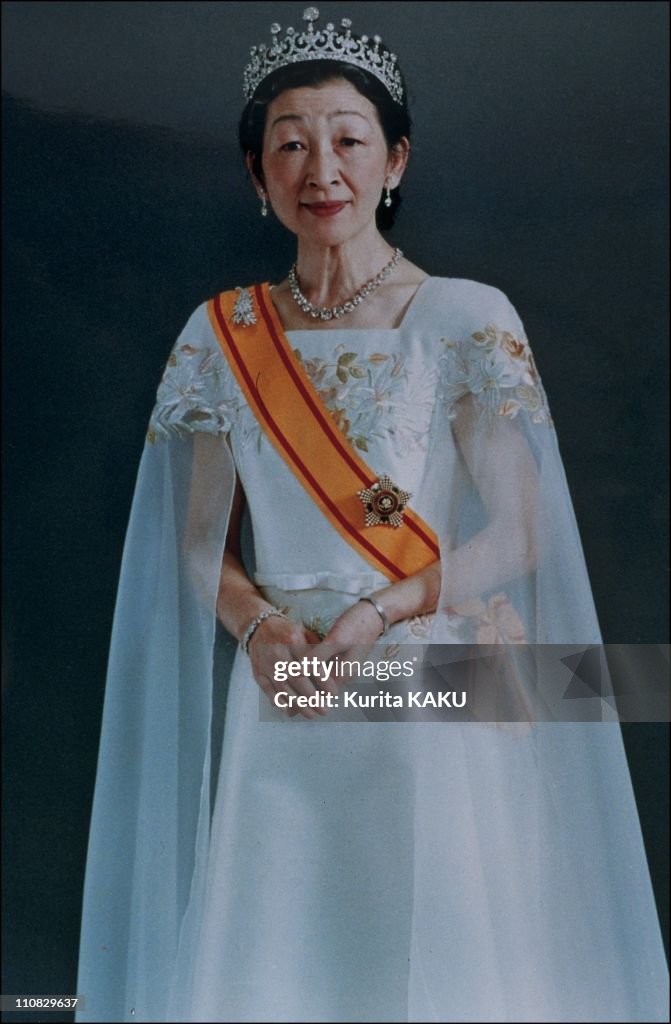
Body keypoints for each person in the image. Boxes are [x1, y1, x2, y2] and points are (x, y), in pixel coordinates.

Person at [75, 8, 669, 1023]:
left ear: (393, 160)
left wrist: (377, 614)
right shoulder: (221, 336)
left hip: (423, 679)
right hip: (289, 686)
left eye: (347, 139)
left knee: (431, 956)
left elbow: (519, 534)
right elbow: (196, 547)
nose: (321, 168)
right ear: (256, 176)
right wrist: (260, 631)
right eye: (290, 144)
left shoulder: (463, 319)